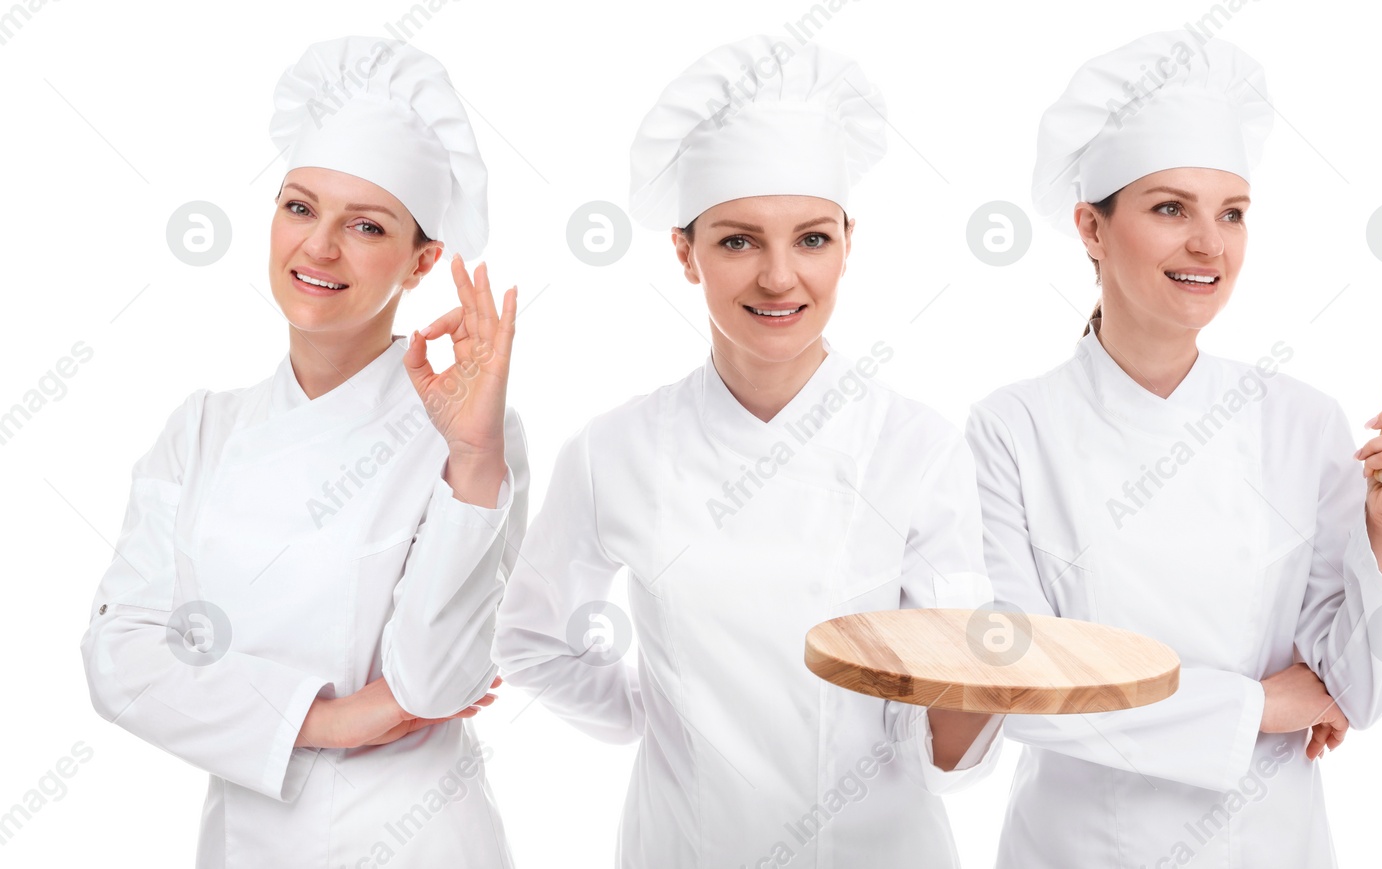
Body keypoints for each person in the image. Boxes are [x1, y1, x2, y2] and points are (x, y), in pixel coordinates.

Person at [492, 34, 1001, 869]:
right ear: (684, 253)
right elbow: (530, 639)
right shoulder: (614, 450)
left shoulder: (917, 448)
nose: (778, 277)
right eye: (737, 241)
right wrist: (652, 714)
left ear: (847, 243)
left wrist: (988, 685)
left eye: (811, 239)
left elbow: (946, 734)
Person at [965, 31, 1382, 868]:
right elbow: (1017, 689)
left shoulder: (1303, 421)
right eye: (1169, 209)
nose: (1210, 246)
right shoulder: (1011, 430)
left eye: (1232, 214)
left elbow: (1358, 691)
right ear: (1090, 227)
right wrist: (1259, 706)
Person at [80, 36, 526, 869]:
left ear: (422, 260)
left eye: (366, 225)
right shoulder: (203, 428)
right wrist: (324, 719)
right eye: (299, 207)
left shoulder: (472, 434)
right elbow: (119, 659)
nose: (319, 248)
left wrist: (471, 461)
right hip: (243, 838)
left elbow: (432, 686)